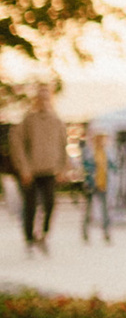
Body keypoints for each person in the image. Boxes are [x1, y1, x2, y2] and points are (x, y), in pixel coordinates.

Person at [13, 80, 66, 249]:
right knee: (30, 206)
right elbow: (18, 144)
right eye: (40, 98)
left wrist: (62, 168)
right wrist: (24, 169)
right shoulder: (28, 120)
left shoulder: (57, 121)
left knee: (50, 204)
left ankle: (43, 233)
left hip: (50, 169)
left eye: (46, 97)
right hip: (32, 171)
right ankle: (29, 238)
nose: (43, 101)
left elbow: (62, 146)